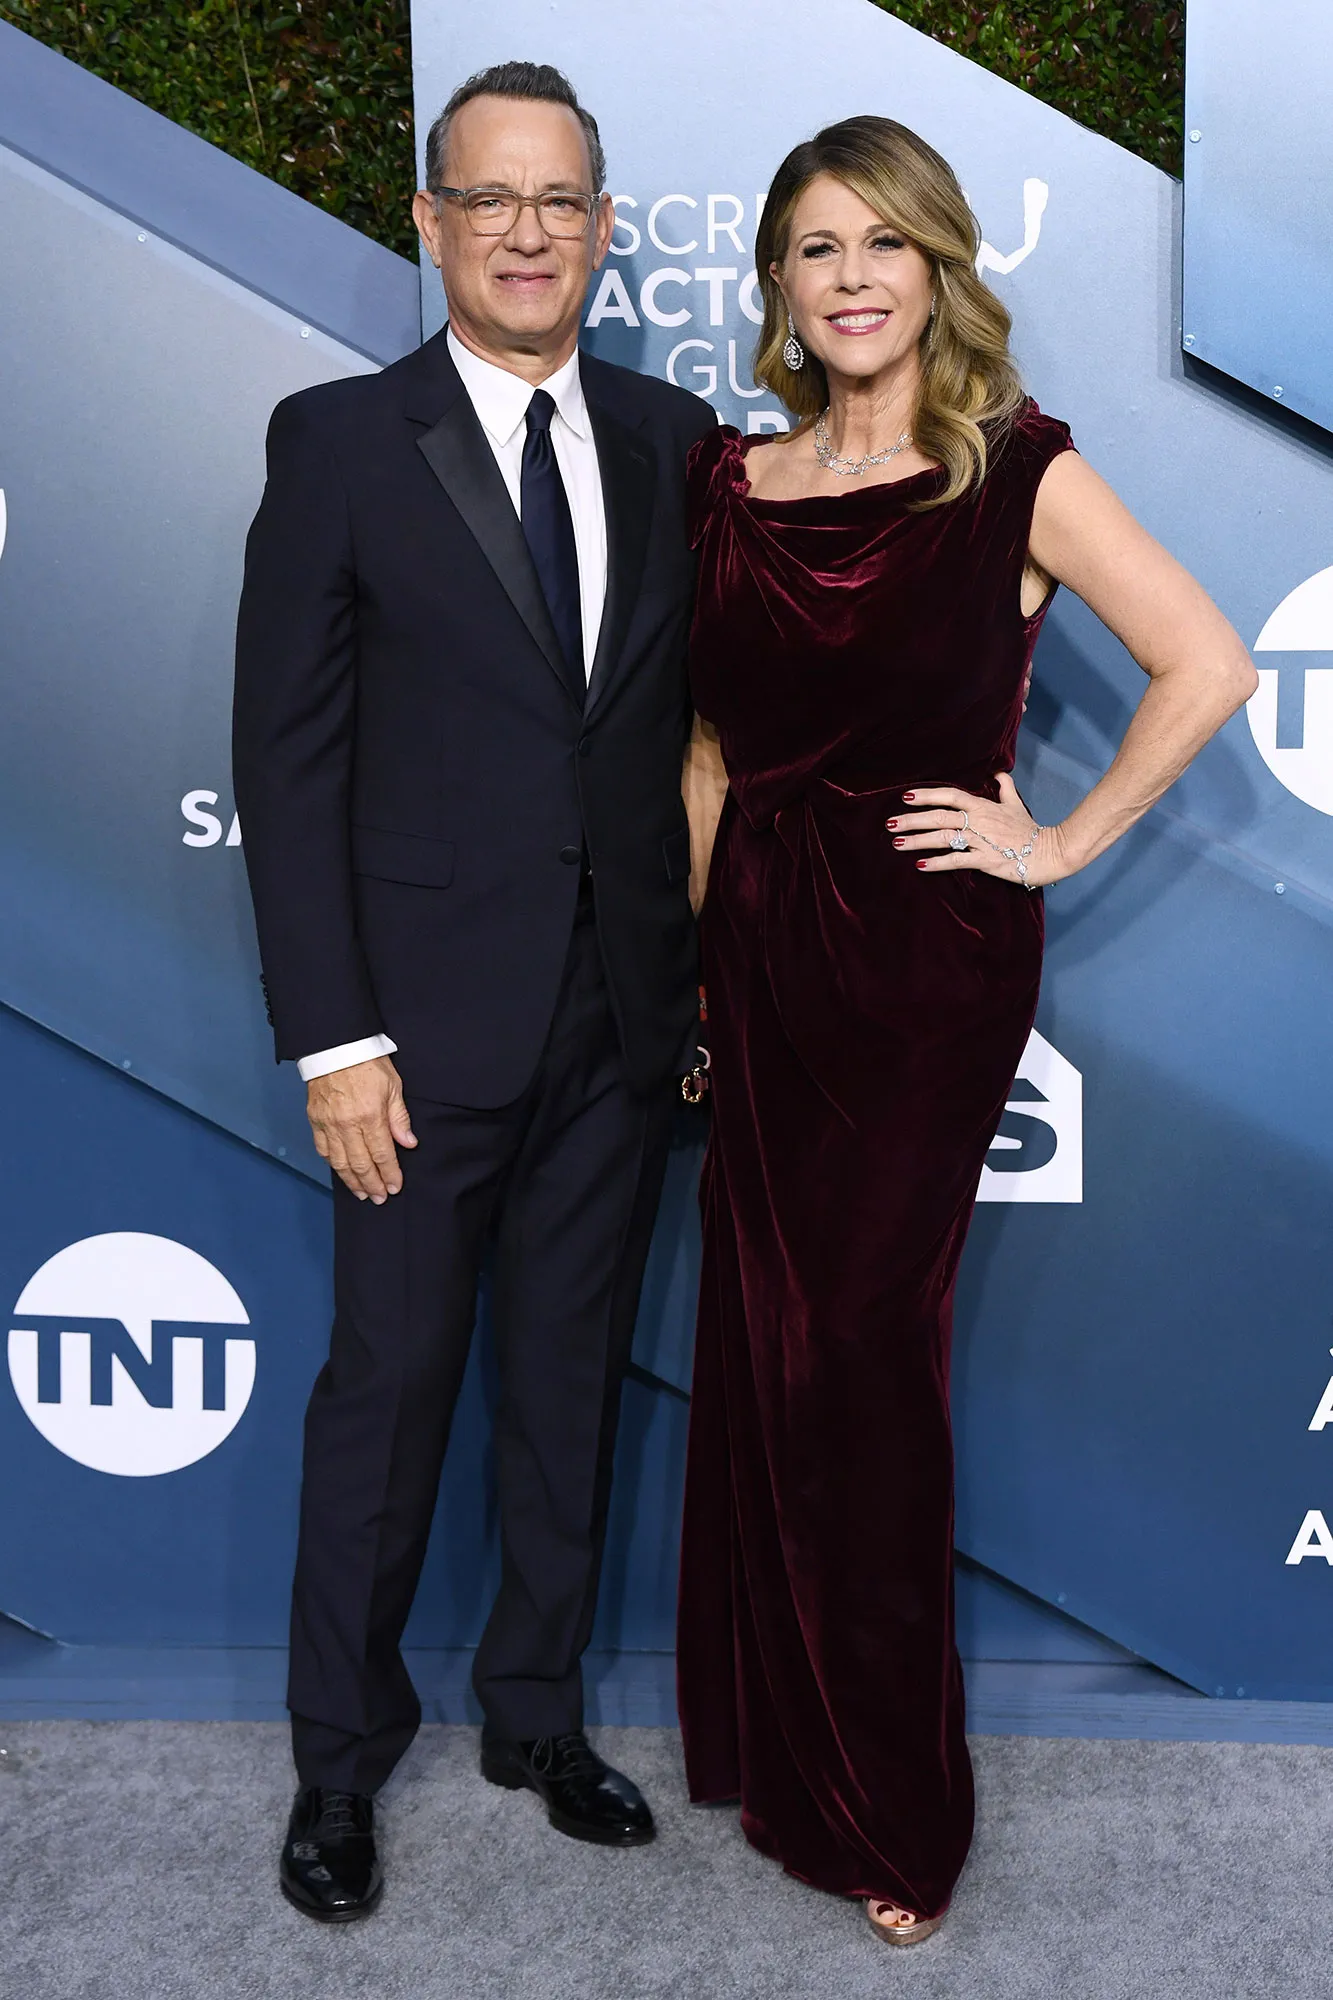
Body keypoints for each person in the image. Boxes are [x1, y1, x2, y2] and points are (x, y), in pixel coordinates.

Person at [675, 115, 1257, 1947]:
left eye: (880, 244)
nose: (848, 278)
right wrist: (702, 976)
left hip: (922, 962)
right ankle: (781, 1744)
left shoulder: (1013, 473)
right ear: (776, 281)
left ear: (938, 267)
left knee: (859, 1356)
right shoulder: (730, 490)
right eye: (813, 247)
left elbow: (1212, 659)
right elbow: (702, 760)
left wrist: (1057, 840)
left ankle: (892, 1807)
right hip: (757, 949)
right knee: (764, 1349)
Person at [232, 61, 715, 1922]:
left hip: (619, 1024)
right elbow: (288, 762)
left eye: (562, 200)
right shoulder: (341, 441)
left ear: (603, 229)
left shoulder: (682, 446)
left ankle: (534, 1716)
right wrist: (334, 1039)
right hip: (415, 1041)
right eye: (490, 197)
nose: (528, 229)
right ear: (428, 222)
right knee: (393, 1392)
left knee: (569, 1390)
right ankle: (338, 1767)